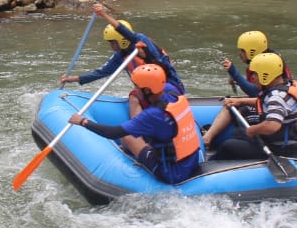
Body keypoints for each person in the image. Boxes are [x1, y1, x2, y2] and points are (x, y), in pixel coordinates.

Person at [68, 64, 201, 184]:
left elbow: (113, 132)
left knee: (127, 137)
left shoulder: (153, 115)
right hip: (192, 160)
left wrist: (83, 121)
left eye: (137, 87)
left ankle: (132, 157)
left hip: (172, 173)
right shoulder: (171, 90)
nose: (134, 90)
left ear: (147, 90)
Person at [61, 3, 184, 116]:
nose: (111, 46)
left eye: (113, 43)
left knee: (134, 97)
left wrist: (103, 14)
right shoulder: (120, 55)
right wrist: (73, 79)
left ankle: (137, 131)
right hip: (148, 92)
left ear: (121, 40)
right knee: (136, 94)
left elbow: (124, 31)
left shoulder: (142, 43)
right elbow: (101, 72)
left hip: (169, 87)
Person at [211, 52, 297, 160]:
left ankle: (211, 164)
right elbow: (266, 103)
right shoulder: (287, 85)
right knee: (238, 133)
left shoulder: (277, 97)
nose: (253, 77)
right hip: (289, 142)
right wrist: (240, 101)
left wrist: (253, 130)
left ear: (266, 75)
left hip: (281, 149)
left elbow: (272, 125)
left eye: (255, 74)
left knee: (228, 145)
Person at [200, 30, 291, 148]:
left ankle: (207, 139)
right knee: (233, 102)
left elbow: (255, 92)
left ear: (252, 51)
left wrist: (234, 72)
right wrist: (238, 81)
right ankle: (209, 137)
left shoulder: (265, 65)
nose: (240, 54)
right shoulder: (269, 61)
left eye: (243, 50)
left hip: (273, 108)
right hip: (267, 101)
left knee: (232, 108)